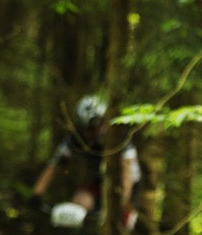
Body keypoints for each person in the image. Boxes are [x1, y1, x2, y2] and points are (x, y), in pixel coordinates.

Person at [30, 94, 141, 227]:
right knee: (78, 203)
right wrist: (37, 193)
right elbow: (55, 165)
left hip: (126, 185)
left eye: (93, 128)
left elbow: (127, 172)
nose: (89, 133)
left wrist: (123, 202)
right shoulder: (76, 139)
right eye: (85, 128)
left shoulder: (118, 138)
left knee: (120, 224)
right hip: (100, 182)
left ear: (103, 122)